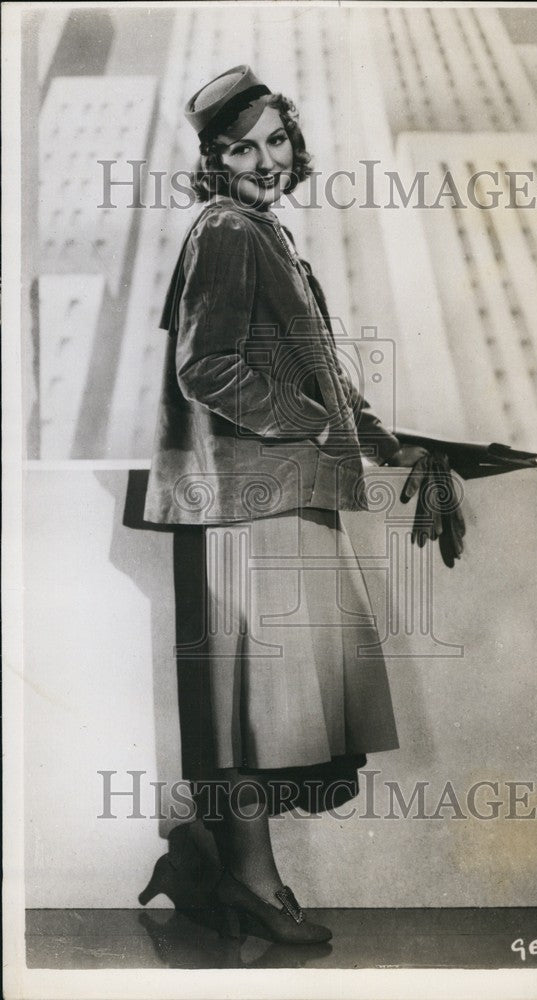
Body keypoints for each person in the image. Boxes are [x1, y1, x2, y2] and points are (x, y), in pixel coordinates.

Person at [139, 65, 429, 945]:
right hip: (251, 505)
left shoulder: (264, 232)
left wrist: (382, 441)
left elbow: (320, 373)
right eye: (241, 147)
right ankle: (250, 884)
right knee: (255, 713)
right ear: (216, 161)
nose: (265, 159)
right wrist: (318, 427)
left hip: (276, 497)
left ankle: (214, 864)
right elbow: (207, 366)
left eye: (276, 140)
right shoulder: (229, 228)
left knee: (265, 711)